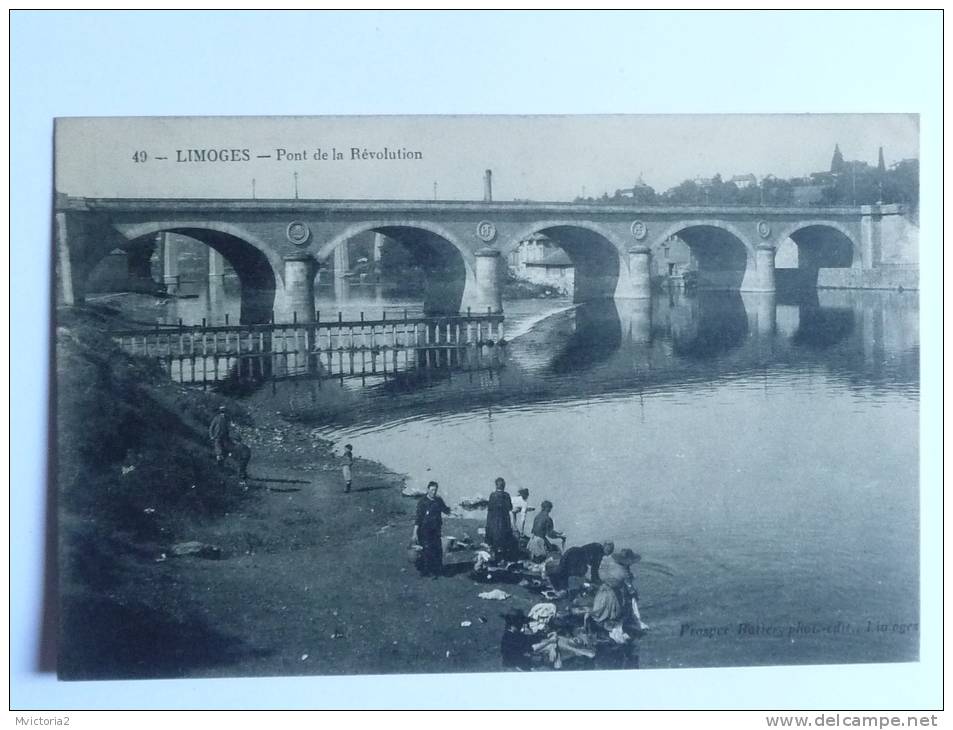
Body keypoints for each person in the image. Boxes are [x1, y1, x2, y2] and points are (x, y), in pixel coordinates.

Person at [590, 548, 649, 631]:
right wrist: (634, 594)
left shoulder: (608, 561)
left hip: (603, 591)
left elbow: (601, 572)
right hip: (614, 593)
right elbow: (629, 587)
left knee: (603, 610)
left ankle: (603, 621)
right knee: (615, 611)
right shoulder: (624, 572)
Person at [411, 481, 451, 578]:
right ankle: (425, 570)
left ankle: (437, 570)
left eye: (435, 490)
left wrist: (452, 511)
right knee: (426, 550)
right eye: (432, 490)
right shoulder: (422, 502)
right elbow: (418, 519)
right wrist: (414, 533)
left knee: (437, 549)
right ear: (428, 489)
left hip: (436, 529)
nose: (434, 492)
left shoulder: (438, 500)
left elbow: (445, 510)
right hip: (424, 530)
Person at [549, 541, 614, 592]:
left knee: (563, 571)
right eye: (609, 551)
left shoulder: (597, 546)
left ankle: (554, 582)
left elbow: (594, 569)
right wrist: (598, 583)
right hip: (575, 559)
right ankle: (560, 589)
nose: (608, 554)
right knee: (569, 576)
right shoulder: (599, 553)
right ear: (605, 546)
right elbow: (594, 571)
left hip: (571, 552)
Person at [485, 477, 518, 560]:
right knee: (505, 537)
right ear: (504, 486)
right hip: (504, 520)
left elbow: (490, 509)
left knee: (494, 537)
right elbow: (510, 507)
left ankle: (496, 555)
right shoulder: (506, 495)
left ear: (496, 486)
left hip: (494, 520)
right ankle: (503, 556)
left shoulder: (492, 495)